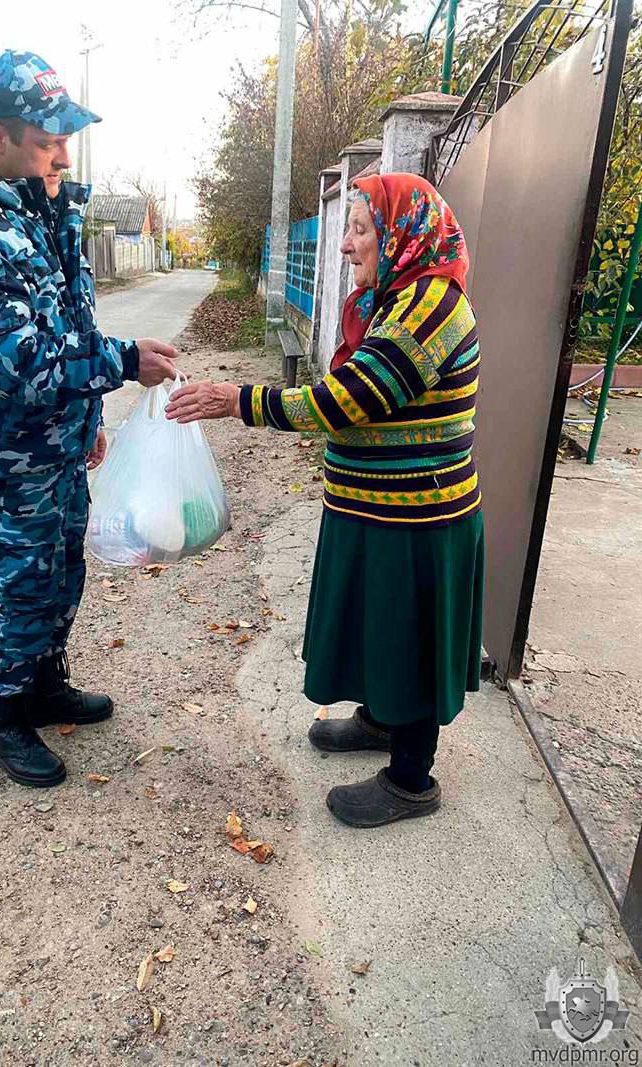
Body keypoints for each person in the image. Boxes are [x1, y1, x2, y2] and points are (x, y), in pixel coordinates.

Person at [166, 173, 484, 829]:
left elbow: (352, 398)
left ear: (403, 234)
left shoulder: (431, 303)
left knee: (410, 635)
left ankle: (411, 779)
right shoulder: (394, 299)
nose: (347, 247)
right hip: (380, 512)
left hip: (418, 519)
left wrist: (242, 401)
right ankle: (379, 718)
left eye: (362, 229)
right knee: (380, 624)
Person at [0, 50, 178, 789]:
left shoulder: (33, 208)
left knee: (62, 569)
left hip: (54, 444)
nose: (62, 152)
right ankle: (5, 717)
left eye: (66, 138)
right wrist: (122, 364)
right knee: (20, 581)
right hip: (6, 451)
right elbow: (22, 361)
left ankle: (45, 682)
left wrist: (89, 414)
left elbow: (69, 316)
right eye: (46, 139)